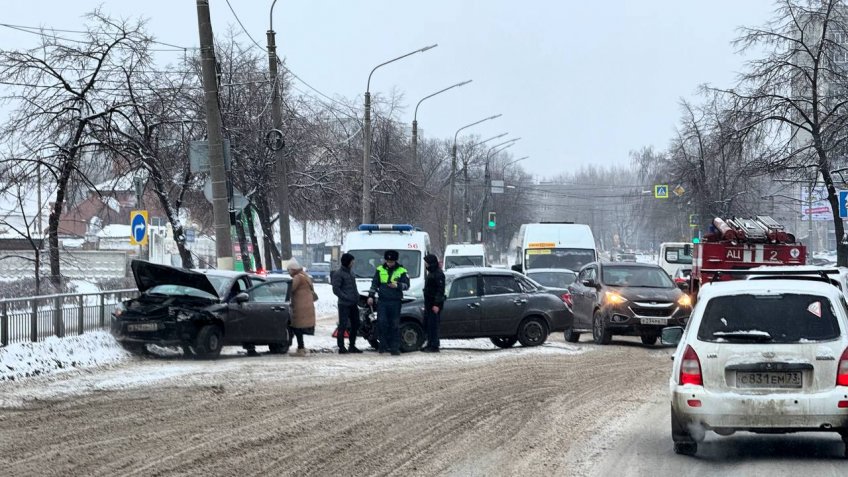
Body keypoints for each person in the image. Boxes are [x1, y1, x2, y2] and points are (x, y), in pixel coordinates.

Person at [367, 250, 409, 356]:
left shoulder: (402, 270)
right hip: (382, 301)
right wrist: (371, 296)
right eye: (388, 261)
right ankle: (383, 346)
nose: (390, 263)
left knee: (394, 325)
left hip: (395, 301)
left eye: (392, 261)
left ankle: (394, 348)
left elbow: (407, 285)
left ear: (395, 261)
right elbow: (374, 284)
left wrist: (398, 285)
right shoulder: (380, 269)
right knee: (382, 323)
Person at [332, 252, 362, 354]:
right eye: (352, 261)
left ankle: (352, 345)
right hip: (344, 304)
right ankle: (341, 347)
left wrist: (357, 296)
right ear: (347, 262)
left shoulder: (351, 273)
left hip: (353, 303)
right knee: (343, 325)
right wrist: (346, 297)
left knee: (356, 323)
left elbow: (354, 287)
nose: (353, 263)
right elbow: (336, 289)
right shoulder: (338, 274)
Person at [288, 258, 316, 356]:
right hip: (307, 306)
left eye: (289, 270)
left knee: (297, 327)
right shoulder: (304, 275)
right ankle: (301, 347)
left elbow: (291, 289)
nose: (289, 272)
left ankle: (300, 348)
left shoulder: (297, 277)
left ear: (293, 269)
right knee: (298, 328)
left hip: (300, 307)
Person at [421, 254, 445, 353]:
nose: (425, 265)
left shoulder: (438, 274)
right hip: (429, 303)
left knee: (434, 325)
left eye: (426, 263)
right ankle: (430, 343)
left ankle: (434, 345)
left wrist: (437, 304)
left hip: (434, 304)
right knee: (429, 325)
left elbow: (440, 290)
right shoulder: (431, 272)